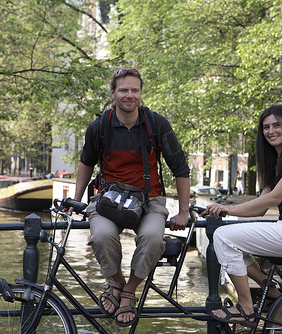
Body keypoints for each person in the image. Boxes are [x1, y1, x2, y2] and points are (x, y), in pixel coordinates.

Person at [72, 67, 191, 327]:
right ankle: (117, 281)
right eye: (123, 90)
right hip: (108, 201)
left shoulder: (157, 124)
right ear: (113, 93)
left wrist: (184, 211)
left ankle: (129, 291)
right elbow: (86, 164)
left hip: (150, 201)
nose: (129, 95)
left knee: (151, 238)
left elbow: (180, 168)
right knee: (102, 237)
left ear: (141, 93)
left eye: (134, 90)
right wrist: (78, 200)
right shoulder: (99, 126)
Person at [203, 105, 282, 328]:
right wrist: (222, 207)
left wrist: (228, 210)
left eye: (277, 125)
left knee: (222, 236)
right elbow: (260, 209)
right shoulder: (275, 163)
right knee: (231, 244)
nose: (271, 131)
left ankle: (247, 310)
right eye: (266, 127)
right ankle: (272, 290)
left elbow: (276, 197)